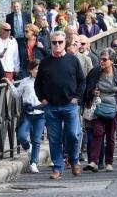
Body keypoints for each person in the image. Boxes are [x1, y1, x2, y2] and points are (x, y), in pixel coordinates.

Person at [34, 31, 85, 180]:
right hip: (51, 106)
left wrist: (76, 97)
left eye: (60, 42)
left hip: (70, 106)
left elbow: (82, 81)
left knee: (73, 135)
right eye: (54, 42)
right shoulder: (44, 62)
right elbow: (38, 84)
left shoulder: (73, 60)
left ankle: (74, 161)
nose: (57, 45)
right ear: (50, 44)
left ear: (65, 43)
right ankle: (58, 167)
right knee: (54, 138)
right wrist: (42, 98)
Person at [83, 48, 117, 173]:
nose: (101, 62)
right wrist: (92, 92)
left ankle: (109, 163)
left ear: (112, 61)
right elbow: (87, 87)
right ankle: (94, 162)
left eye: (105, 59)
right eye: (101, 59)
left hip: (114, 108)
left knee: (111, 136)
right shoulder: (95, 72)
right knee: (97, 132)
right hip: (98, 106)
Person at [3, 59, 45, 173]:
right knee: (21, 135)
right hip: (27, 112)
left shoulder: (46, 81)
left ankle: (33, 163)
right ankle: (28, 147)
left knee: (36, 139)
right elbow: (17, 95)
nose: (38, 71)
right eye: (36, 69)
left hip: (41, 114)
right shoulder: (25, 81)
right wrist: (10, 83)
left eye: (40, 69)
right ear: (30, 70)